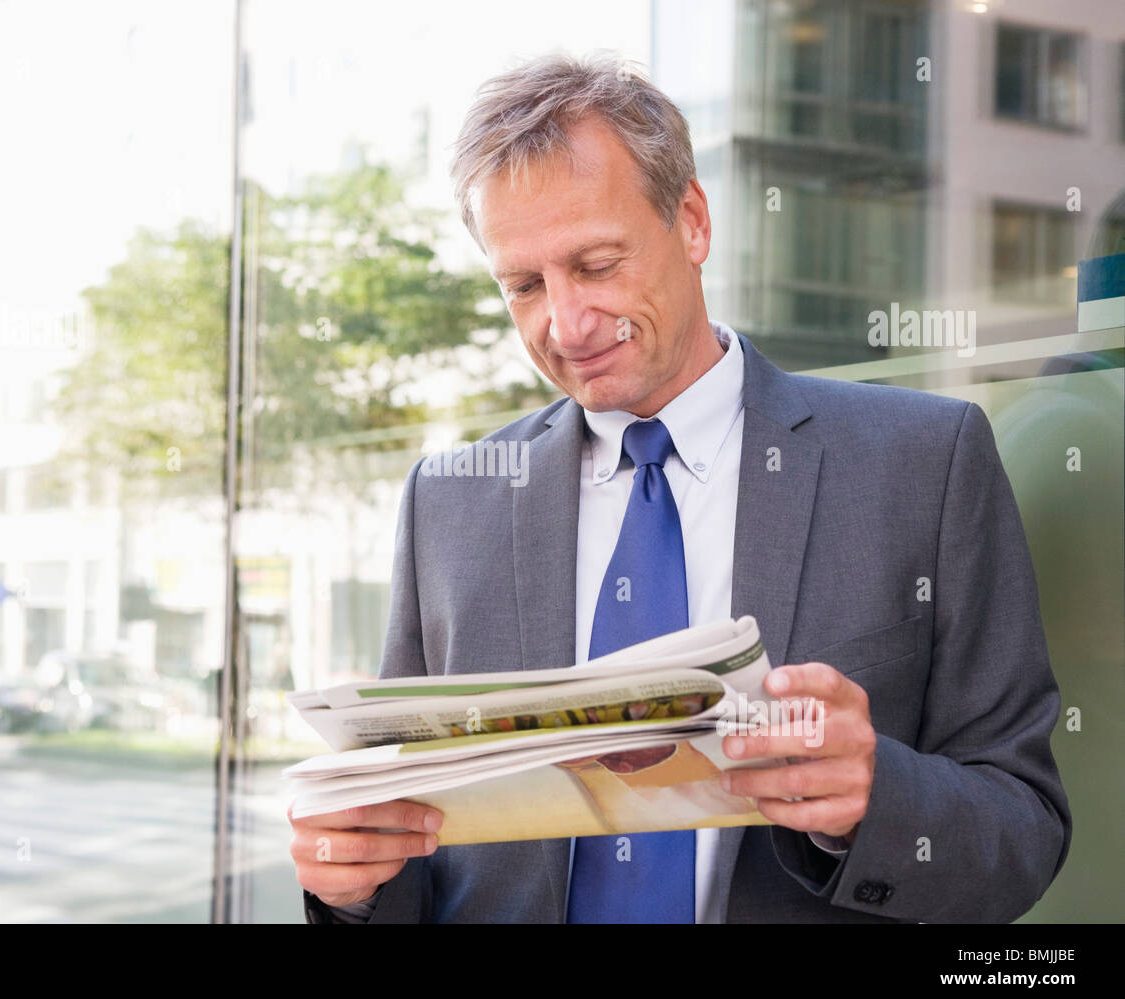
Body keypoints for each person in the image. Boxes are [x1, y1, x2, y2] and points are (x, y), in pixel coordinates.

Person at [288, 52, 1071, 923]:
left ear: (691, 221)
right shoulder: (450, 500)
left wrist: (875, 798)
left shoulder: (922, 464)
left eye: (595, 263)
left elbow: (1023, 825)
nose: (566, 322)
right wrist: (354, 884)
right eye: (524, 285)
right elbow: (414, 849)